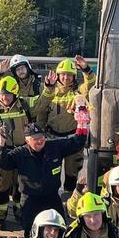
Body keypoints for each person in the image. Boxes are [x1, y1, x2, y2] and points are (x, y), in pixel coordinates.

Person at [0, 122, 89, 235]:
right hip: (31, 199)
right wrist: (2, 142)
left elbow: (76, 143)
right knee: (29, 231)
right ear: (27, 140)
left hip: (52, 197)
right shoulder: (20, 153)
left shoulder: (54, 147)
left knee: (60, 228)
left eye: (42, 137)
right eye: (35, 138)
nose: (40, 140)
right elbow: (2, 163)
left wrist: (82, 123)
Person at [0, 76, 36, 227]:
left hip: (22, 152)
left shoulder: (24, 105)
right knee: (1, 187)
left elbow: (42, 102)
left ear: (15, 94)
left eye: (8, 95)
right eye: (2, 95)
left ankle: (19, 211)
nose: (5, 98)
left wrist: (49, 87)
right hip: (2, 153)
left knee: (21, 185)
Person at [37, 56, 95, 192]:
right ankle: (52, 198)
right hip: (52, 138)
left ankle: (69, 198)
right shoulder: (49, 92)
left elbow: (91, 85)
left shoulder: (77, 92)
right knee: (52, 171)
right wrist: (40, 133)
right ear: (58, 76)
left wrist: (87, 70)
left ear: (74, 77)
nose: (66, 78)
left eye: (70, 75)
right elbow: (41, 111)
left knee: (72, 172)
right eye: (63, 75)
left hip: (72, 138)